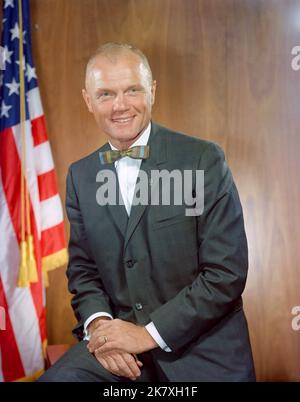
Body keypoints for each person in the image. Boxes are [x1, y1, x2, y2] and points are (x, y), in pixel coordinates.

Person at [39, 43, 255, 382]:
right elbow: (84, 271)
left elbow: (225, 273)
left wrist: (146, 335)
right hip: (118, 353)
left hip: (201, 351)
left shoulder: (202, 160)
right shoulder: (80, 176)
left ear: (151, 92)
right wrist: (101, 329)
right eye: (106, 94)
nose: (120, 105)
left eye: (132, 90)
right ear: (88, 100)